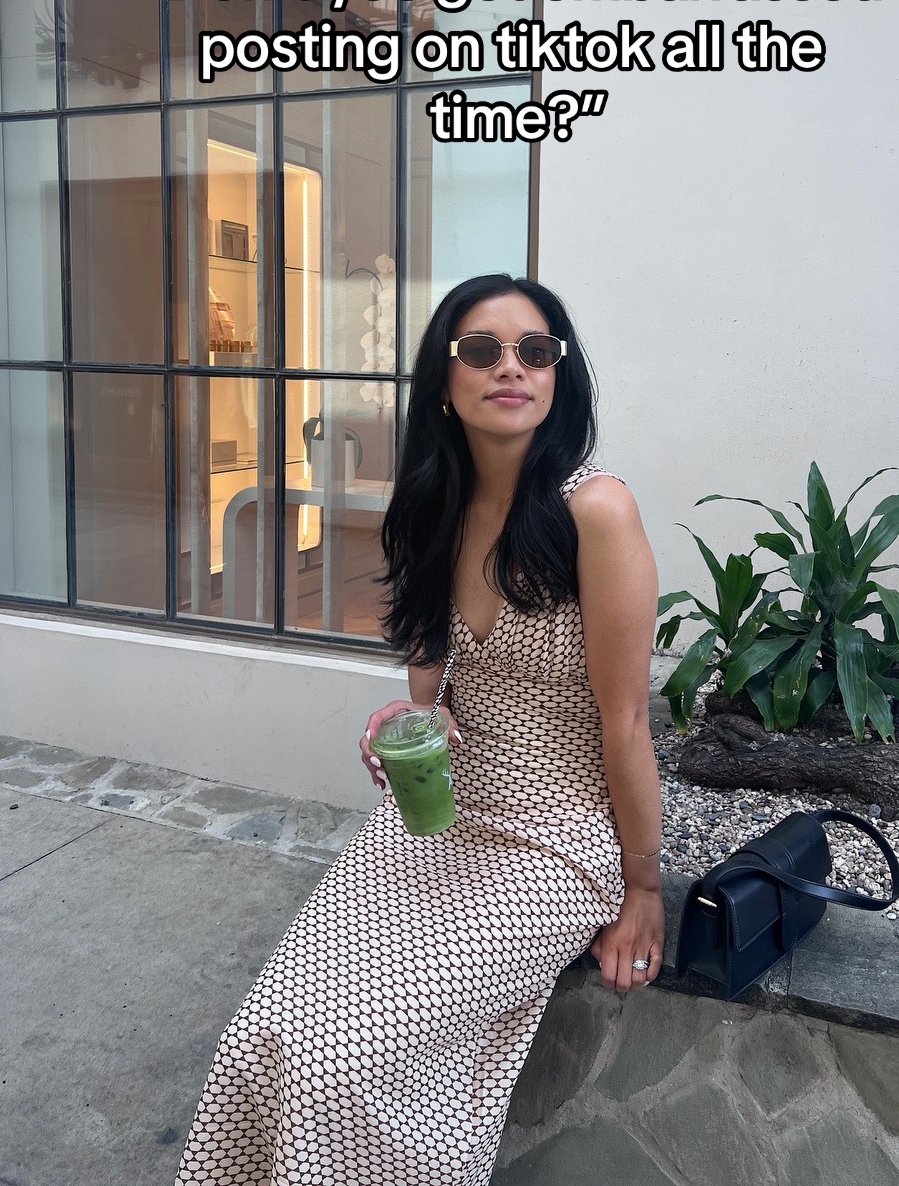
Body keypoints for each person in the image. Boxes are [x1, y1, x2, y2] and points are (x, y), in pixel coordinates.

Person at [174, 273, 664, 1185]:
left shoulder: (595, 511)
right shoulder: (437, 498)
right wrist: (410, 715)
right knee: (267, 1030)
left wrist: (643, 889)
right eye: (482, 350)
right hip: (433, 820)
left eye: (535, 351)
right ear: (445, 381)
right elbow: (433, 674)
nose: (511, 368)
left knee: (340, 1060)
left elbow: (627, 719)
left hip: (552, 842)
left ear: (558, 375)